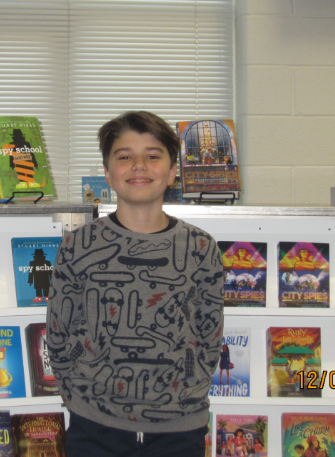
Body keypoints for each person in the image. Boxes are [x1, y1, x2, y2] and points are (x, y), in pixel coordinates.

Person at [46, 111, 224, 457]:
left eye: (153, 156)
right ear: (109, 173)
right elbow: (59, 331)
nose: (139, 165)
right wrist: (81, 395)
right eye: (124, 156)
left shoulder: (201, 247)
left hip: (179, 428)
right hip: (94, 425)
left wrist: (188, 386)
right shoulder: (77, 245)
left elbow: (210, 334)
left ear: (173, 171)